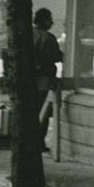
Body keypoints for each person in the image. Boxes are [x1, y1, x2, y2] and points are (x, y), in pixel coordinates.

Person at [33, 8, 63, 152]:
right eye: (49, 19)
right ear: (44, 21)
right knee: (43, 110)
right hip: (43, 79)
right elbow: (55, 56)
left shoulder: (29, 34)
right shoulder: (47, 38)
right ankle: (39, 142)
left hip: (30, 79)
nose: (51, 22)